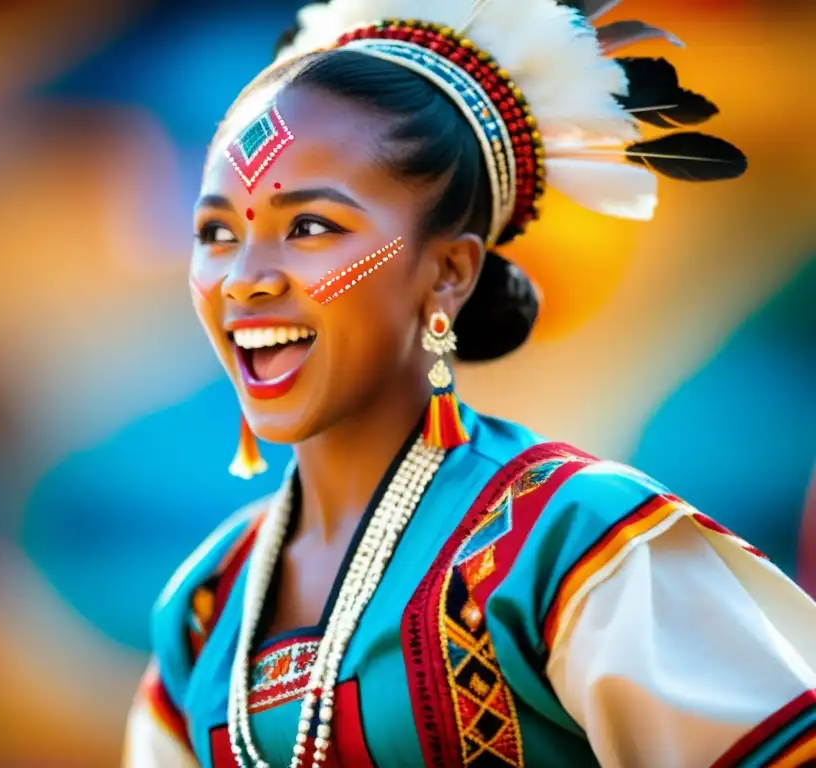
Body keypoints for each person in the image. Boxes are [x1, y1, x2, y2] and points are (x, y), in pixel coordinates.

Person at [125, 0, 815, 765]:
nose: (246, 279)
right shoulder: (205, 606)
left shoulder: (575, 541)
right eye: (218, 232)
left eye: (312, 227)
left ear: (449, 270)